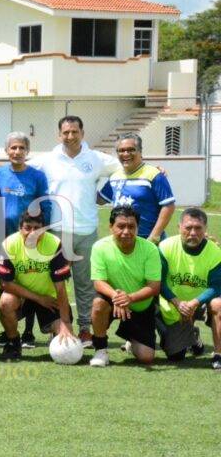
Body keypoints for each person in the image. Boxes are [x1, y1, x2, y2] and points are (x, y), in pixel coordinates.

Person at [28, 116, 121, 348]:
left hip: (86, 230)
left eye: (74, 132)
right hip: (55, 232)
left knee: (85, 283)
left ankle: (85, 329)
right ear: (59, 135)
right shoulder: (47, 160)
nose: (70, 136)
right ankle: (58, 325)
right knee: (53, 282)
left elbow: (124, 169)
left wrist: (104, 195)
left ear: (82, 132)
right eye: (65, 132)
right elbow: (19, 166)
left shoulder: (96, 159)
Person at [0, 132, 50, 349]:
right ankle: (9, 330)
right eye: (13, 148)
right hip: (2, 237)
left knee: (30, 278)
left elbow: (46, 204)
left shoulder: (37, 176)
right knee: (5, 284)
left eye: (21, 148)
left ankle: (28, 333)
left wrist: (44, 232)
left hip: (30, 237)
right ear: (6, 151)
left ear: (27, 151)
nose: (17, 152)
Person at [0, 212, 74, 361]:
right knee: (6, 302)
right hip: (23, 297)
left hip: (50, 299)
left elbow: (61, 288)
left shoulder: (54, 244)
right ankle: (13, 342)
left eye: (37, 228)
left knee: (67, 339)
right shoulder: (9, 244)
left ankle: (55, 333)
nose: (32, 233)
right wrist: (39, 299)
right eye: (27, 228)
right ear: (20, 229)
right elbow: (5, 284)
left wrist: (65, 323)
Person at [89, 206, 161, 367]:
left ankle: (131, 338)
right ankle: (100, 351)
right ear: (111, 227)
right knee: (98, 304)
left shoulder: (150, 249)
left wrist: (130, 298)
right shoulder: (100, 247)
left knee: (146, 358)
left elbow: (154, 287)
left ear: (137, 228)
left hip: (140, 305)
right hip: (113, 300)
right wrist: (117, 297)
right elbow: (98, 282)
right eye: (121, 226)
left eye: (131, 226)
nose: (126, 231)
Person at [157, 208, 221, 368]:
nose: (193, 233)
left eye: (198, 228)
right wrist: (178, 303)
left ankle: (218, 354)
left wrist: (193, 303)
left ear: (205, 229)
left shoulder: (215, 253)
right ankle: (194, 338)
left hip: (202, 303)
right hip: (175, 304)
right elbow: (158, 282)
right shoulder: (165, 247)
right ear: (179, 227)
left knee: (219, 305)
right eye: (188, 228)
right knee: (176, 355)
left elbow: (216, 286)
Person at [98, 133, 175, 242]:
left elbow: (168, 206)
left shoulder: (154, 174)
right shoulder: (115, 176)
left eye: (131, 150)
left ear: (140, 151)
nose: (126, 154)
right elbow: (100, 200)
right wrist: (91, 176)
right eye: (121, 150)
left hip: (147, 238)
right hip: (122, 238)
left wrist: (154, 236)